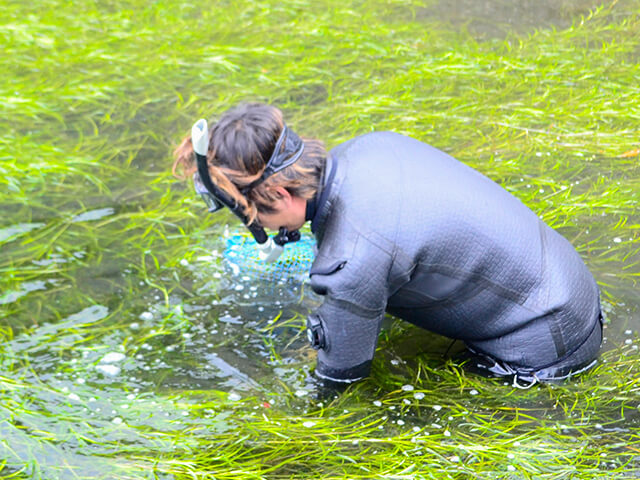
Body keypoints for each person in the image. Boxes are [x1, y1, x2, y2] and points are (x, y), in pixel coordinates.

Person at [173, 102, 603, 388]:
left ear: (282, 195)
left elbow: (340, 380)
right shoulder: (369, 149)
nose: (257, 226)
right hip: (573, 287)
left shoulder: (351, 260)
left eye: (254, 216)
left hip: (545, 350)